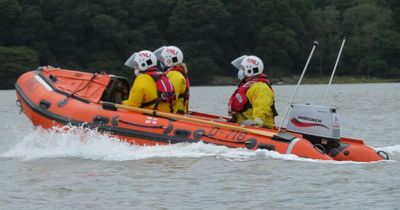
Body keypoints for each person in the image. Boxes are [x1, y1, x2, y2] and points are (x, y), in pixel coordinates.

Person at [228, 55, 278, 128]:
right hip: (243, 123)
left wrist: (256, 122)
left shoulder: (261, 88)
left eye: (243, 68)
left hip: (262, 128)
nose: (240, 71)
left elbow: (261, 108)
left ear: (250, 70)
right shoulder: (250, 86)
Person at [154, 46, 190, 114]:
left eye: (162, 59)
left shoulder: (174, 74)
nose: (161, 62)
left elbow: (170, 98)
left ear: (169, 60)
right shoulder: (176, 73)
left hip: (173, 113)